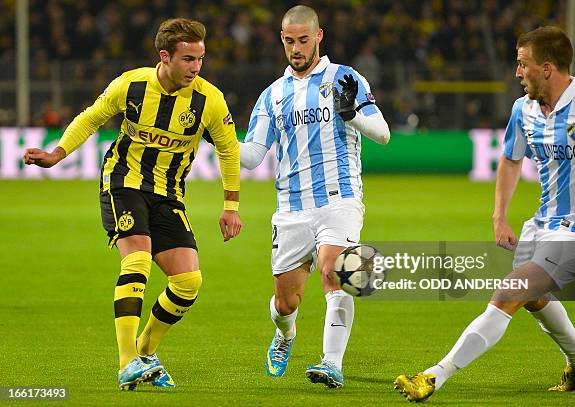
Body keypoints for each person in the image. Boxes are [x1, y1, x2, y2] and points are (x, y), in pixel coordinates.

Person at [23, 18, 242, 390]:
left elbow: (228, 148)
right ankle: (126, 363)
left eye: (200, 59)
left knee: (188, 281)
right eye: (188, 59)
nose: (196, 67)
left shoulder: (209, 99)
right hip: (123, 182)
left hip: (168, 193)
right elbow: (91, 118)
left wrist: (231, 205)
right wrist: (57, 153)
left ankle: (145, 352)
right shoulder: (132, 84)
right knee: (137, 259)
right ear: (165, 56)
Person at [394, 26, 575, 401]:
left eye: (522, 64)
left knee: (510, 291)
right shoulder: (523, 109)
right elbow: (511, 159)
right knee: (532, 297)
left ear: (546, 68)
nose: (516, 72)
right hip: (541, 225)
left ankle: (434, 375)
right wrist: (499, 216)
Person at [240, 5, 390, 388]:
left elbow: (383, 133)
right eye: (289, 41)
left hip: (339, 199)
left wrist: (352, 114)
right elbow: (253, 157)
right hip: (291, 208)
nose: (296, 48)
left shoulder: (346, 78)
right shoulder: (273, 94)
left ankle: (331, 363)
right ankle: (286, 334)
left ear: (319, 36)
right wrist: (215, 137)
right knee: (285, 303)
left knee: (335, 272)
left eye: (303, 40)